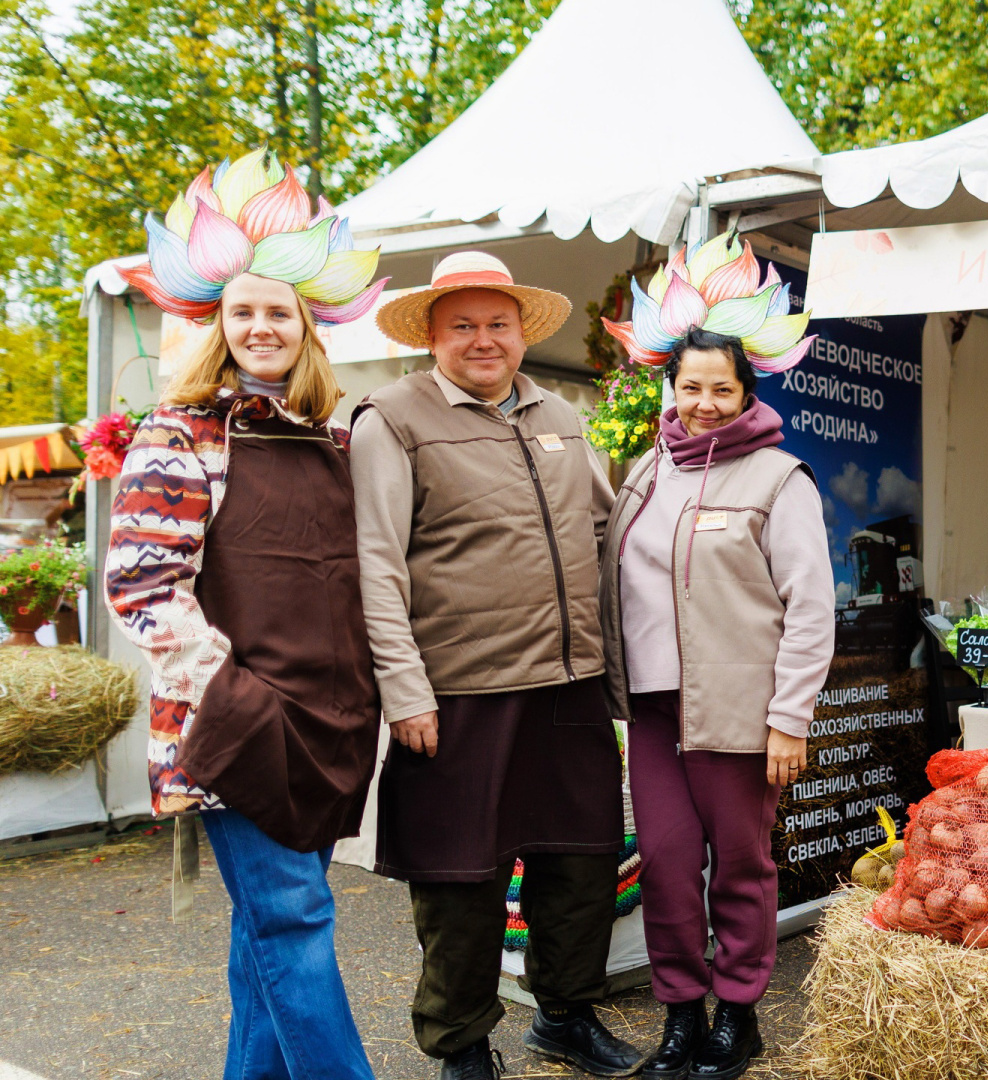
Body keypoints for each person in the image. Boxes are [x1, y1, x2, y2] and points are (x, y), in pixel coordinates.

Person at [106, 150, 386, 1080]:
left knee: (265, 932)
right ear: (216, 326)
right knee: (294, 920)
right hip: (232, 727)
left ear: (305, 331)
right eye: (244, 312)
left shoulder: (330, 441)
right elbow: (143, 586)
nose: (261, 327)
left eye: (280, 312)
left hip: (325, 722)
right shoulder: (178, 434)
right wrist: (233, 695)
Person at [354, 250, 641, 1080]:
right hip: (458, 692)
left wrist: (618, 673)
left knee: (582, 863)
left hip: (568, 684)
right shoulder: (393, 418)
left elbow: (602, 531)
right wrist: (404, 690)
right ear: (434, 336)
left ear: (520, 334)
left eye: (498, 325)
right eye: (464, 326)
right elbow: (377, 563)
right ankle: (461, 1044)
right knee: (459, 881)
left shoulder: (562, 412)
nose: (484, 340)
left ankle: (565, 1015)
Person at [597, 233, 835, 1080]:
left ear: (747, 392)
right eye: (690, 387)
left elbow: (812, 609)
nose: (703, 403)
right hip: (657, 711)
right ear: (671, 385)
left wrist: (788, 721)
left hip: (740, 716)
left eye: (720, 389)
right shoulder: (643, 474)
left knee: (740, 865)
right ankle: (679, 1016)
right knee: (662, 863)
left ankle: (739, 1015)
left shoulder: (780, 481)